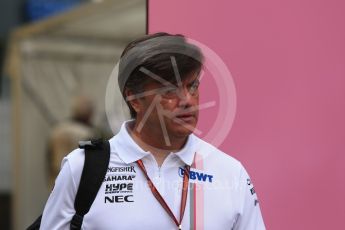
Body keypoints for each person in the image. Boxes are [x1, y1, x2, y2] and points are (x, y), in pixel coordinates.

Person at [40, 32, 266, 229]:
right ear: (134, 99)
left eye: (192, 86)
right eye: (169, 89)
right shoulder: (81, 168)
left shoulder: (230, 172)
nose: (187, 100)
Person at [47, 95, 99, 190]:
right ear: (90, 113)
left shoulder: (57, 130)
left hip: (57, 181)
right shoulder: (88, 134)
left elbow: (49, 157)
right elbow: (93, 161)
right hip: (79, 184)